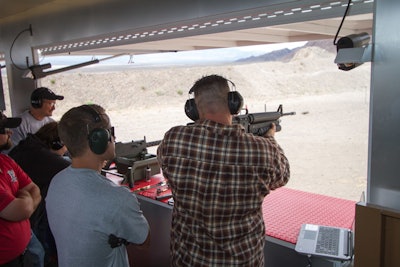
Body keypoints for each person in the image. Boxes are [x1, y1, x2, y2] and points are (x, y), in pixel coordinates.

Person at [157, 74, 290, 267]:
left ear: (192, 109)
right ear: (233, 103)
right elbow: (282, 177)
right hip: (241, 261)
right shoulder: (262, 149)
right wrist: (269, 139)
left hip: (188, 260)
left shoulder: (173, 139)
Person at [46, 104, 150, 267]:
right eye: (110, 133)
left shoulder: (56, 181)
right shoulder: (117, 197)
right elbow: (144, 241)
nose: (113, 139)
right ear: (99, 139)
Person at [9, 121, 71, 267]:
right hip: (25, 218)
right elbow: (73, 170)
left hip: (18, 213)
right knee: (38, 253)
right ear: (57, 142)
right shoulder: (44, 158)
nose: (66, 150)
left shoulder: (28, 147)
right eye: (66, 146)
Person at [0, 111, 42, 266]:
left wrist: (24, 202)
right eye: (4, 130)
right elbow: (20, 210)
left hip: (22, 252)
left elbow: (35, 190)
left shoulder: (5, 160)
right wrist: (25, 197)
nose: (10, 132)